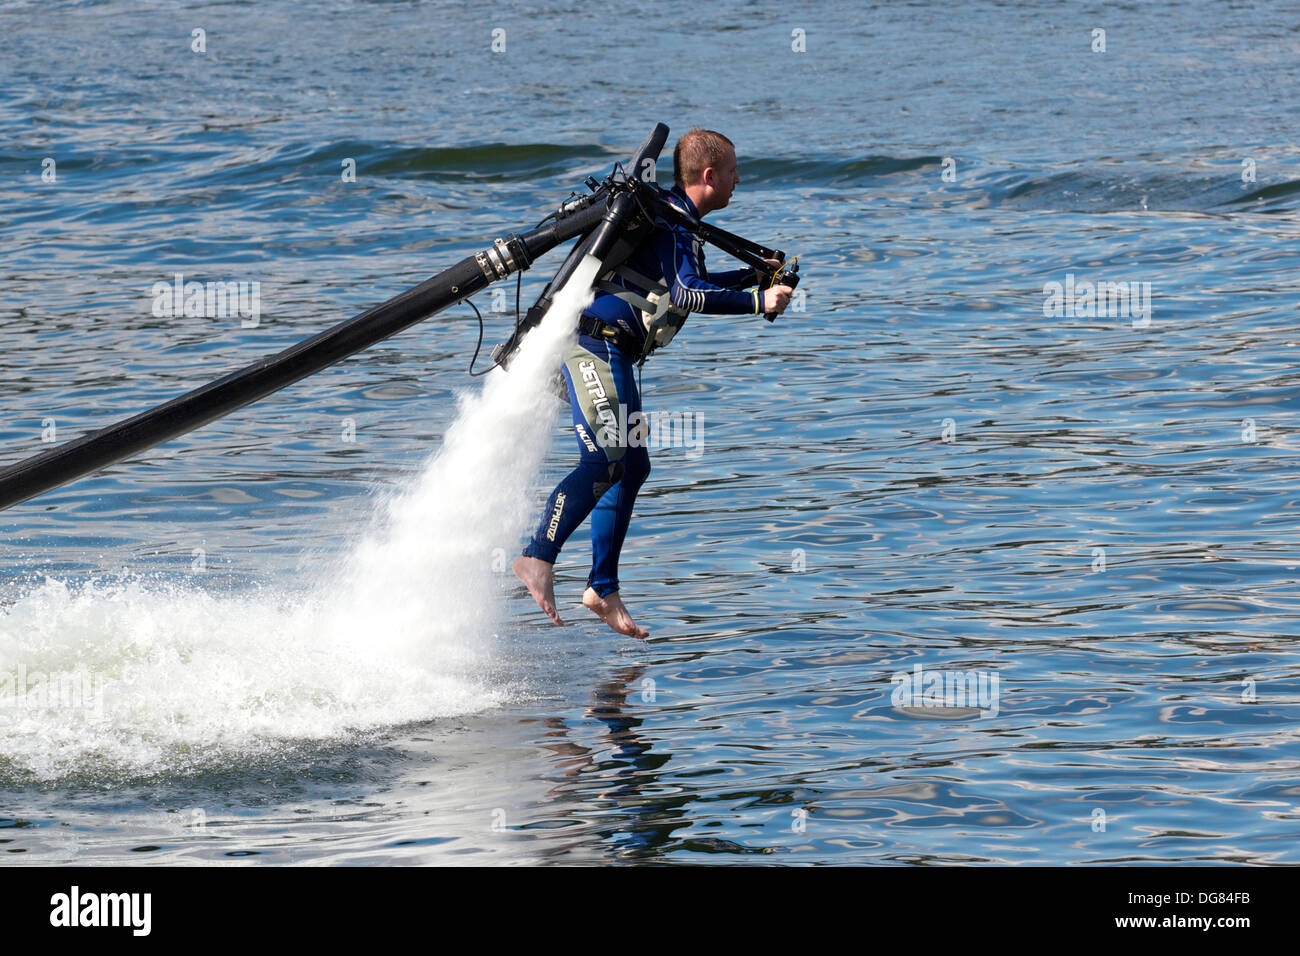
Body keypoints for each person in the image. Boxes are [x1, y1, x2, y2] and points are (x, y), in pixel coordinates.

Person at [513, 128, 793, 638]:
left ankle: (601, 588)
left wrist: (756, 276)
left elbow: (688, 283)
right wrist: (759, 303)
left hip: (614, 350)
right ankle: (537, 556)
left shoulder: (676, 220)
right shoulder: (674, 226)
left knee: (631, 464)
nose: (738, 180)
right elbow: (687, 296)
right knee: (605, 460)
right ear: (709, 176)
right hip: (593, 346)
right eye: (733, 171)